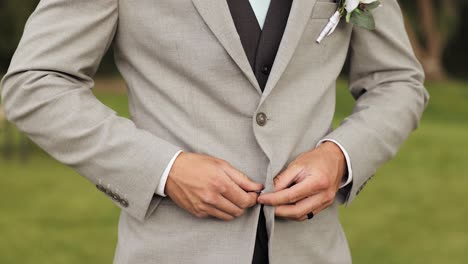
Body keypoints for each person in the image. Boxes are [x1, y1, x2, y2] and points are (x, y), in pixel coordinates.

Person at [0, 0, 429, 263]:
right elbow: (35, 83)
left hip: (313, 251)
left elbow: (397, 82)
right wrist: (165, 170)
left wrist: (341, 156)